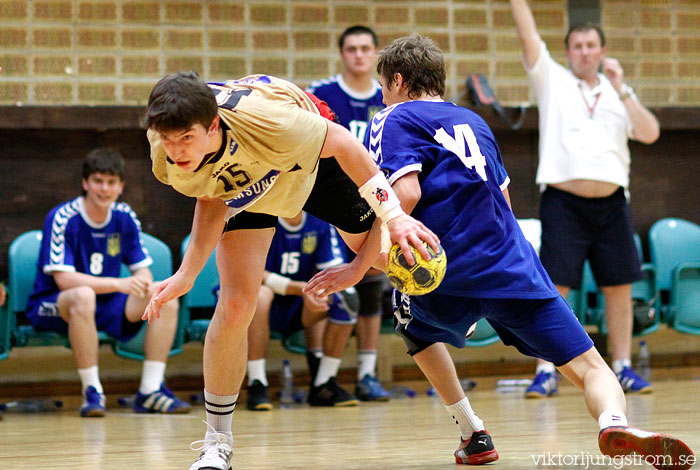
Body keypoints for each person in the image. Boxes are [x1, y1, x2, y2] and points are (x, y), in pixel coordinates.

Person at [305, 34, 693, 468]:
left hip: (446, 271)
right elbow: (504, 206)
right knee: (592, 367)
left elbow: (405, 196)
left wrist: (359, 267)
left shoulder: (391, 117)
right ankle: (613, 423)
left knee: (411, 322)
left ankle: (473, 434)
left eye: (383, 84)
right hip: (514, 268)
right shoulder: (476, 122)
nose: (382, 93)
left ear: (396, 80)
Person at [141, 72, 437, 470]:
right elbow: (212, 197)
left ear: (212, 125)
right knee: (234, 306)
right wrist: (187, 274)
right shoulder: (166, 148)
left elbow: (345, 143)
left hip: (306, 157)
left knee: (379, 252)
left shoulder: (272, 121)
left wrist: (393, 214)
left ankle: (460, 291)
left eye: (186, 139)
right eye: (168, 139)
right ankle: (216, 443)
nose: (176, 150)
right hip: (246, 180)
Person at [510, 0, 660, 399]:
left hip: (612, 205)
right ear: (568, 52)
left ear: (603, 50)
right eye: (577, 45)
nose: (585, 52)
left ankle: (623, 367)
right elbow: (529, 37)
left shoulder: (617, 93)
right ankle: (546, 369)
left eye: (592, 45)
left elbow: (650, 133)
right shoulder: (553, 80)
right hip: (564, 202)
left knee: (619, 287)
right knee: (555, 288)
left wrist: (623, 87)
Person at [25, 148, 190, 417]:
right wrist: (118, 284)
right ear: (85, 183)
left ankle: (150, 390)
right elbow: (64, 280)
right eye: (98, 181)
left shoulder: (124, 216)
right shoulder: (63, 217)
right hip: (55, 304)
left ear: (121, 186)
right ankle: (92, 391)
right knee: (82, 296)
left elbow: (142, 270)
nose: (105, 188)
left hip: (106, 304)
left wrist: (143, 283)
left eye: (111, 182)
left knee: (163, 295)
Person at [307, 25, 391, 401]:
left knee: (372, 290)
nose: (359, 55)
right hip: (330, 204)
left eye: (365, 49)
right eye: (352, 49)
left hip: (374, 200)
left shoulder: (388, 97)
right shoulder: (321, 93)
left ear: (375, 54)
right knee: (337, 291)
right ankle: (323, 374)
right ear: (342, 53)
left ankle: (368, 374)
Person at [246, 211, 359, 410]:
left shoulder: (320, 221)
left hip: (297, 301)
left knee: (343, 295)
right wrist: (301, 288)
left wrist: (317, 292)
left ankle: (323, 382)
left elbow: (334, 270)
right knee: (262, 296)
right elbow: (249, 270)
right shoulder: (260, 216)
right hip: (254, 298)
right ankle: (257, 384)